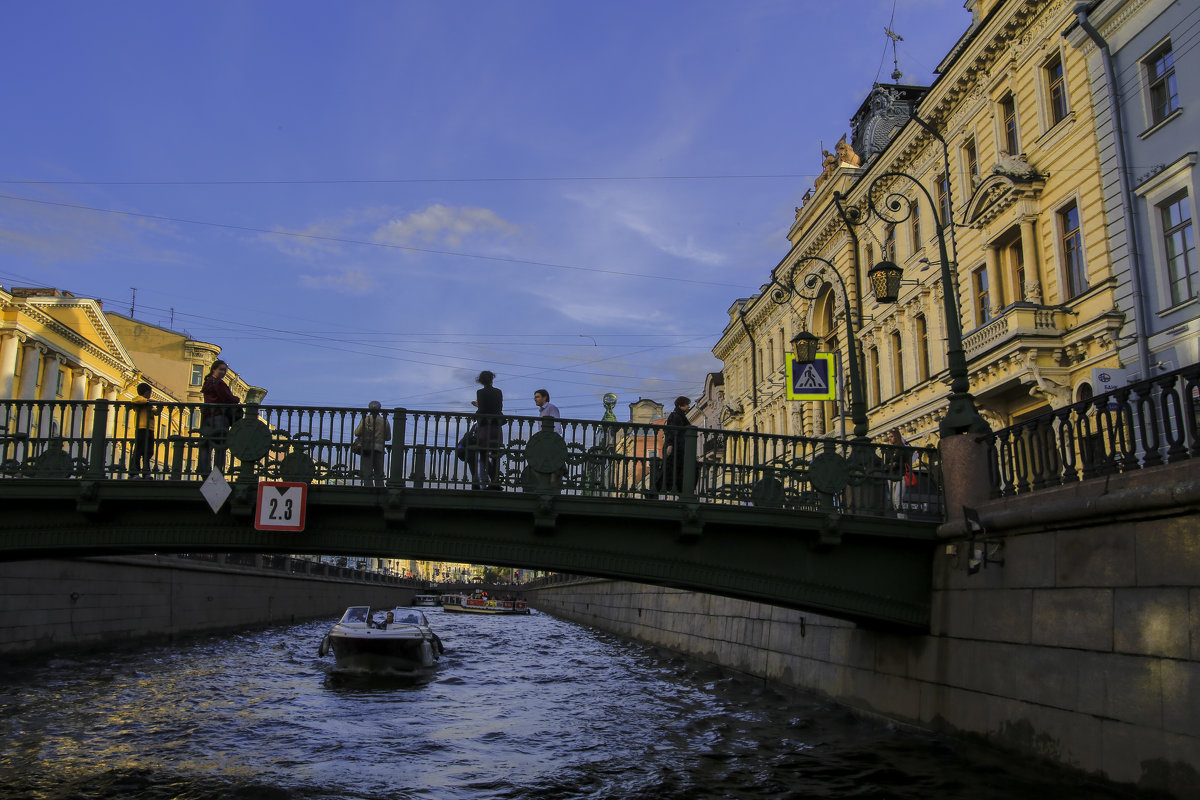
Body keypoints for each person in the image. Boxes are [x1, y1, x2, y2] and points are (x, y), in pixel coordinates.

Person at [197, 360, 240, 477]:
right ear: (214, 369)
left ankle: (203, 469)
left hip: (207, 416)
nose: (223, 372)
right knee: (220, 444)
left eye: (225, 370)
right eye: (221, 369)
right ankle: (217, 471)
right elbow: (227, 398)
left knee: (206, 443)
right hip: (219, 416)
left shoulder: (207, 382)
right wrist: (236, 399)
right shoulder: (219, 383)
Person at [470, 370, 504, 490]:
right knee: (495, 454)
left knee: (483, 452)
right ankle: (495, 482)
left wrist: (476, 413)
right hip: (497, 425)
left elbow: (483, 409)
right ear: (492, 379)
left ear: (481, 381)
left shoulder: (480, 392)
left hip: (485, 427)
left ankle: (493, 481)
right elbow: (499, 407)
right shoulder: (498, 392)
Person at [660, 396, 693, 495]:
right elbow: (672, 431)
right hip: (676, 447)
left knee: (675, 468)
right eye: (686, 404)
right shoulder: (675, 416)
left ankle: (677, 488)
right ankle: (669, 487)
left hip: (679, 447)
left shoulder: (681, 415)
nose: (688, 406)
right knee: (672, 468)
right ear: (680, 405)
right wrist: (670, 445)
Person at [354, 400, 391, 488]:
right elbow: (388, 437)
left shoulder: (366, 419)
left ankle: (368, 487)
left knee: (367, 470)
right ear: (380, 409)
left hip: (367, 448)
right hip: (379, 448)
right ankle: (379, 487)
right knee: (379, 471)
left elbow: (357, 432)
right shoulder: (384, 421)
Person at [533, 389, 563, 490]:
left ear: (544, 397)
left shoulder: (551, 408)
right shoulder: (542, 411)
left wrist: (554, 439)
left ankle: (554, 479)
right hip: (544, 440)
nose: (535, 399)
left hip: (550, 440)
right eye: (535, 397)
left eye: (537, 397)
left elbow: (556, 424)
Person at [129, 382, 158, 479]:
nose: (150, 395)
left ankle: (146, 472)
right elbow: (137, 400)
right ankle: (134, 472)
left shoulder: (148, 404)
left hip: (150, 429)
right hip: (141, 428)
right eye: (149, 393)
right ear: (146, 392)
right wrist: (150, 401)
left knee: (148, 451)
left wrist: (158, 407)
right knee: (139, 450)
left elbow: (156, 412)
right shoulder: (140, 400)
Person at [887, 428, 911, 517]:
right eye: (889, 437)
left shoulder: (903, 449)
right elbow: (886, 463)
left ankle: (902, 519)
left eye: (892, 437)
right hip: (891, 477)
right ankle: (901, 517)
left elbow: (907, 461)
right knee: (894, 500)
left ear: (896, 437)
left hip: (901, 475)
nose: (890, 438)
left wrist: (896, 464)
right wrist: (890, 465)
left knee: (898, 498)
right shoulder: (889, 450)